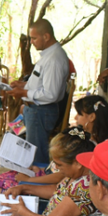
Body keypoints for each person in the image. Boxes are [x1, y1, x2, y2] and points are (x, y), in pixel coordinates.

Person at [8, 19, 70, 164]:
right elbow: (42, 83)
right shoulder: (48, 56)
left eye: (34, 38)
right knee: (17, 137)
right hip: (34, 110)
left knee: (36, 155)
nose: (32, 42)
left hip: (41, 112)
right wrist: (24, 85)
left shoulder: (54, 59)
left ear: (46, 37)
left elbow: (51, 94)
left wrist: (23, 93)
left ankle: (37, 181)